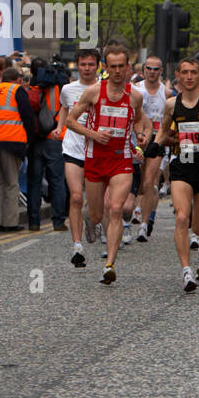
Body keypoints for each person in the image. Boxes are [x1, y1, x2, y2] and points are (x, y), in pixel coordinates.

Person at [63, 43, 147, 284]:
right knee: (97, 214)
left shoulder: (135, 96)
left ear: (128, 66)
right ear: (106, 67)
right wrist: (93, 135)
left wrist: (140, 137)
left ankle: (110, 264)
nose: (117, 71)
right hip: (95, 159)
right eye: (113, 66)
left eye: (121, 66)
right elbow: (70, 121)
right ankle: (91, 218)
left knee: (117, 209)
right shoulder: (93, 92)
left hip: (121, 159)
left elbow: (138, 120)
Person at [149, 57, 199, 291]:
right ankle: (186, 271)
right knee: (182, 217)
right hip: (182, 164)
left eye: (194, 72)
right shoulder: (172, 104)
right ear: (178, 76)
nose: (189, 76)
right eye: (185, 72)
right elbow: (163, 130)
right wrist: (155, 144)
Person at [0, 66, 38, 232]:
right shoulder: (17, 90)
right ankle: (10, 222)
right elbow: (28, 116)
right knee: (11, 184)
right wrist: (29, 141)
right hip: (11, 140)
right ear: (18, 79)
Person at [60, 49, 102, 266]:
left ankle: (92, 219)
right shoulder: (68, 89)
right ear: (77, 65)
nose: (87, 68)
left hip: (97, 150)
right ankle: (77, 247)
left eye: (91, 64)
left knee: (97, 204)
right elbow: (65, 109)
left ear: (98, 66)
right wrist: (59, 128)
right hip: (73, 148)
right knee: (76, 197)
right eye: (83, 64)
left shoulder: (104, 89)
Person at [24, 58, 68, 232]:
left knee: (34, 182)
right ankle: (58, 222)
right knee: (56, 181)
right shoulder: (59, 86)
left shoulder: (32, 86)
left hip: (36, 139)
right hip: (55, 137)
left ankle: (34, 222)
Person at [133, 56, 172, 241]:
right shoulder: (136, 90)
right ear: (143, 70)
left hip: (157, 140)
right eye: (149, 68)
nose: (152, 72)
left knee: (149, 183)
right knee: (139, 184)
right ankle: (136, 211)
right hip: (138, 139)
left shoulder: (168, 93)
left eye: (156, 69)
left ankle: (143, 225)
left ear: (161, 71)